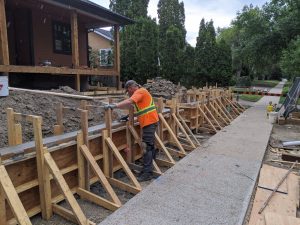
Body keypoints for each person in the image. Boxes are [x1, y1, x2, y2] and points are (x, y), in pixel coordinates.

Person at [105, 80, 159, 181]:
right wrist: (127, 116)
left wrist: (115, 105)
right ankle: (148, 168)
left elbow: (130, 101)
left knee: (146, 147)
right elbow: (138, 108)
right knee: (150, 146)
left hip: (149, 122)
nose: (129, 94)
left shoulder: (140, 92)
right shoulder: (142, 93)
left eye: (128, 91)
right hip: (150, 122)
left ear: (130, 88)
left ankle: (147, 173)